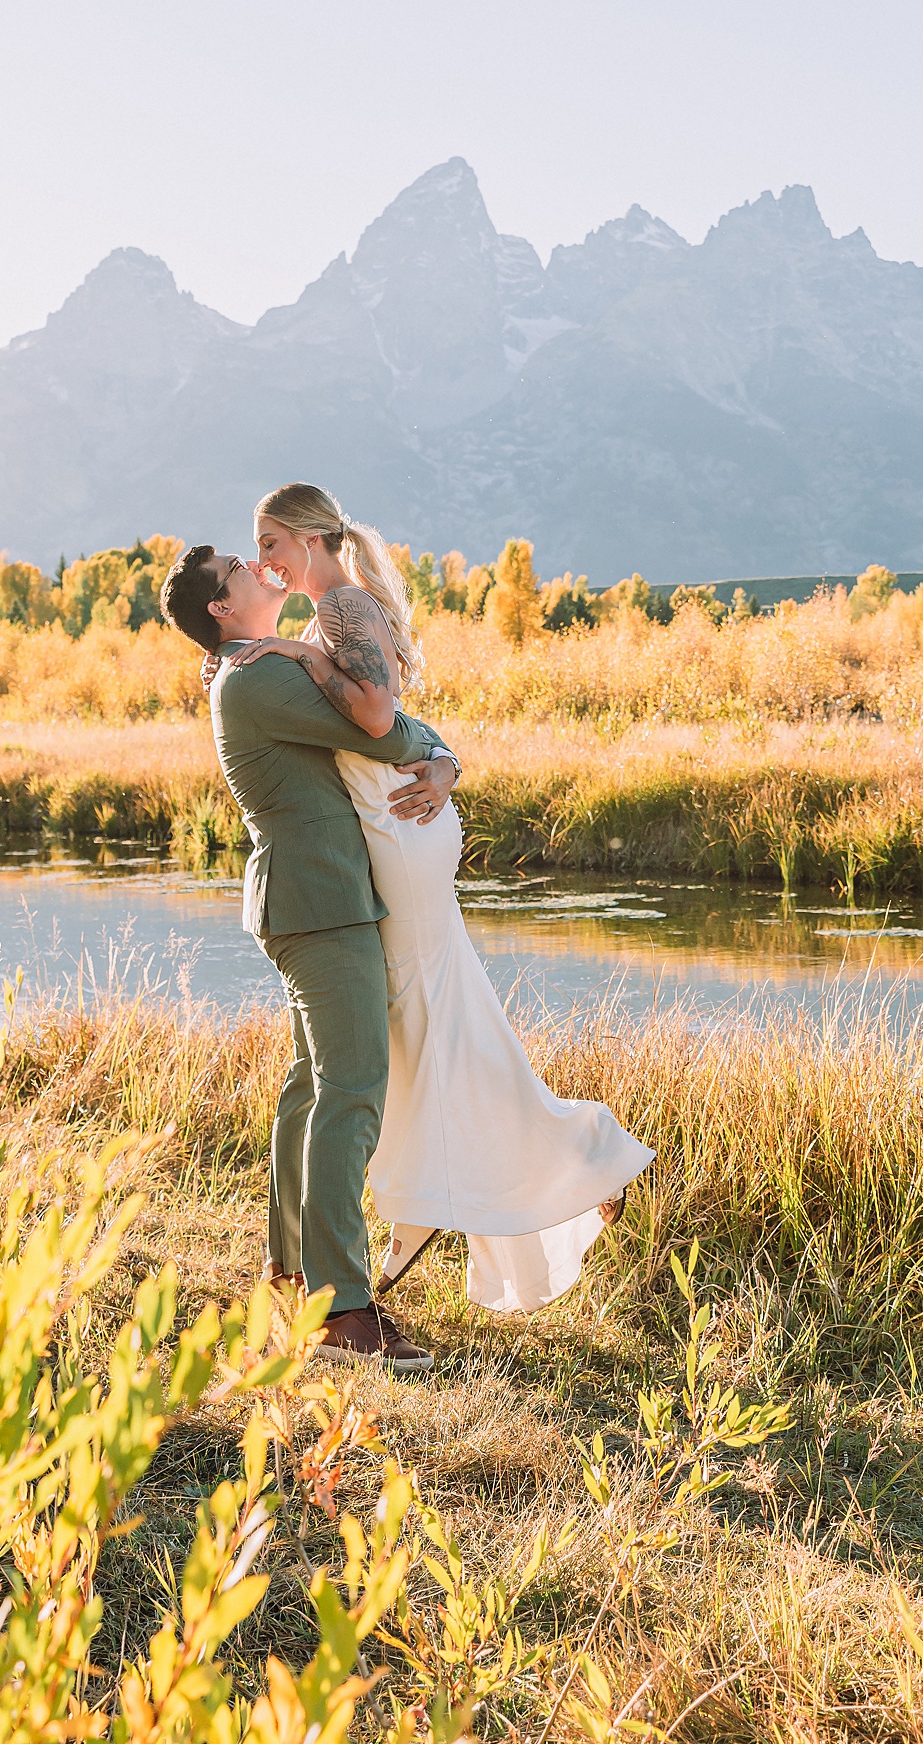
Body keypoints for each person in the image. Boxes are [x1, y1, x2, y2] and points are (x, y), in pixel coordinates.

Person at [227, 482, 653, 1314]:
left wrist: (302, 658)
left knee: (430, 1016)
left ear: (314, 538)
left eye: (272, 541)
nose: (265, 559)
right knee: (423, 1020)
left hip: (401, 831)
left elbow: (378, 714)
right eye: (259, 547)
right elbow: (387, 717)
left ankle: (576, 1152)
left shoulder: (343, 609)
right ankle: (431, 1199)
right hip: (394, 824)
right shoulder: (334, 611)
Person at [161, 541, 460, 1375]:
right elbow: (375, 724)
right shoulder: (256, 676)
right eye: (238, 568)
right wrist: (443, 756)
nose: (256, 567)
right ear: (222, 607)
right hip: (321, 903)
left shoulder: (254, 668)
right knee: (352, 1087)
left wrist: (438, 755)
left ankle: (292, 1273)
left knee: (310, 1087)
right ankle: (343, 1311)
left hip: (304, 899)